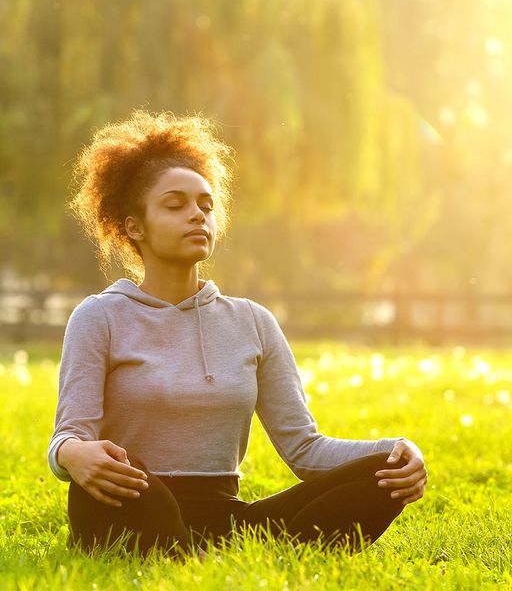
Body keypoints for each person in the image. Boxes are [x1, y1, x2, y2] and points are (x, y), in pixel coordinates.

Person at [48, 109, 428, 560]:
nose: (197, 216)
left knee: (382, 476)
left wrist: (396, 451)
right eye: (176, 205)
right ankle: (191, 551)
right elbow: (69, 436)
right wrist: (73, 455)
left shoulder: (252, 322)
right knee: (124, 490)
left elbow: (304, 448)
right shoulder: (99, 317)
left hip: (227, 519)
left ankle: (194, 553)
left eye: (206, 206)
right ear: (135, 226)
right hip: (134, 500)